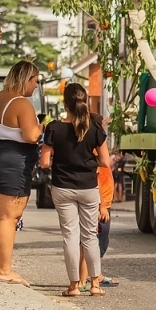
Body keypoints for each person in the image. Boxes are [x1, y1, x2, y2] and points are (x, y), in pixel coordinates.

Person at [41, 83, 110, 295]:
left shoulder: (53, 128)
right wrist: (88, 161)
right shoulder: (95, 129)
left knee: (70, 236)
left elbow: (44, 162)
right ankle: (95, 285)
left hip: (62, 187)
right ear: (85, 101)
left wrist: (61, 160)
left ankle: (73, 286)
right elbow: (106, 162)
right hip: (89, 187)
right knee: (90, 235)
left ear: (65, 102)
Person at [0, 61, 42, 286]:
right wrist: (42, 127)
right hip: (12, 161)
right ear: (25, 79)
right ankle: (4, 270)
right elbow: (32, 135)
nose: (36, 86)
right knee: (9, 217)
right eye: (35, 80)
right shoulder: (22, 103)